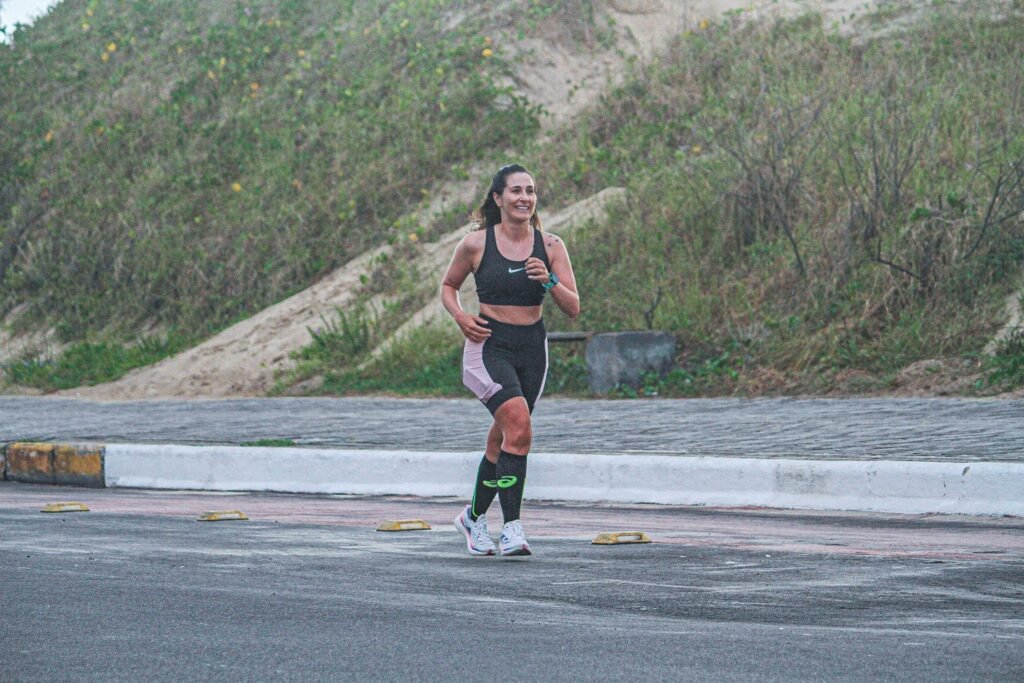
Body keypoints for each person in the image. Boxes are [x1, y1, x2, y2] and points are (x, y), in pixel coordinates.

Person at [440, 163, 580, 556]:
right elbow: (449, 286)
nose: (524, 198)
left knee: (504, 439)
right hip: (489, 345)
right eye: (516, 191)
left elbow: (573, 307)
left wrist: (549, 281)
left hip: (533, 349)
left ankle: (472, 517)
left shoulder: (550, 245)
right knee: (519, 427)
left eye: (531, 191)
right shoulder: (476, 243)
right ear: (498, 198)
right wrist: (461, 317)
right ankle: (512, 528)